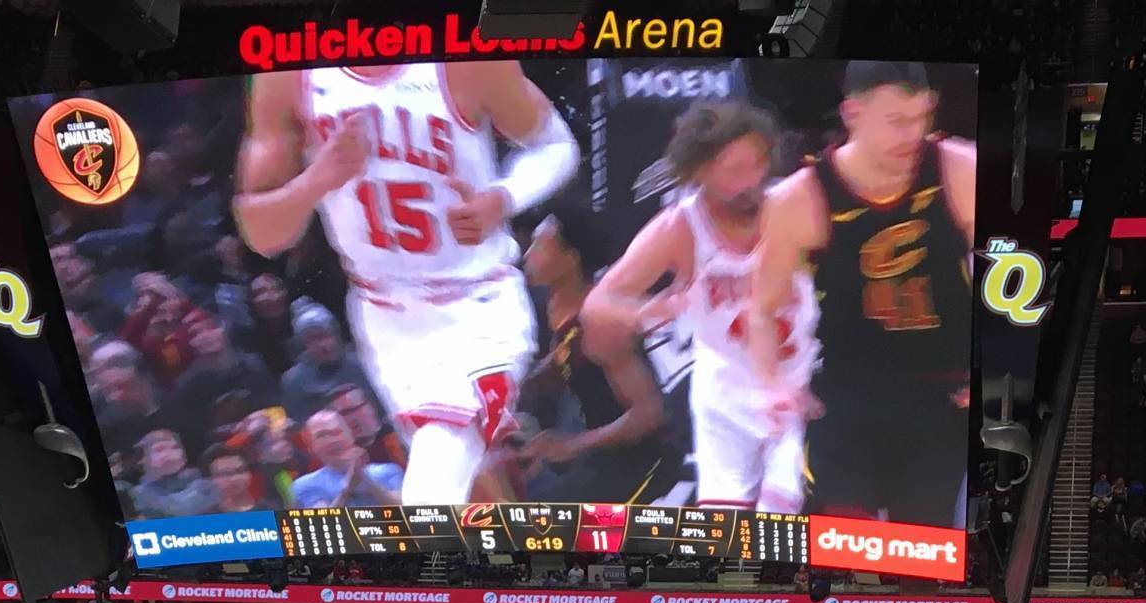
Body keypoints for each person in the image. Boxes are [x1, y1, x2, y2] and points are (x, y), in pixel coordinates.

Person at [236, 59, 579, 506]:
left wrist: (503, 197)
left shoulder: (465, 62)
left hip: (482, 299)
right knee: (463, 478)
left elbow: (555, 146)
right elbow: (262, 234)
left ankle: (417, 571)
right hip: (383, 315)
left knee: (438, 470)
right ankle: (505, 567)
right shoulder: (288, 78)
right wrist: (318, 178)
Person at [749, 62, 975, 523]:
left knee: (921, 556)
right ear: (853, 112)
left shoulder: (959, 169)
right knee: (844, 553)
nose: (914, 134)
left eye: (922, 117)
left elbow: (1014, 277)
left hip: (940, 392)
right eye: (897, 121)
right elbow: (761, 310)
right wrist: (773, 385)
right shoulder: (798, 199)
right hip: (848, 395)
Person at [582, 99, 815, 512]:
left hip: (797, 382)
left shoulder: (794, 204)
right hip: (724, 393)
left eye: (757, 164)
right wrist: (647, 312)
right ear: (700, 171)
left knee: (781, 515)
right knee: (724, 534)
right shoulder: (681, 227)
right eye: (734, 170)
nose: (751, 180)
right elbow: (599, 303)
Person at [516, 209, 674, 505]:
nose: (528, 253)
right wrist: (516, 390)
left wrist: (570, 446)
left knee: (540, 522)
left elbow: (649, 414)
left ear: (570, 258)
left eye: (540, 244)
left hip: (642, 465)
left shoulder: (600, 320)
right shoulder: (557, 307)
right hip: (599, 454)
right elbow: (566, 356)